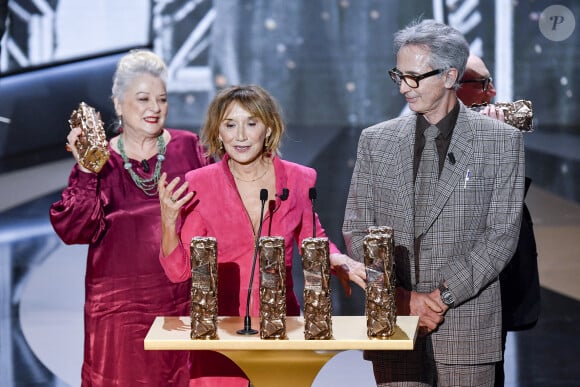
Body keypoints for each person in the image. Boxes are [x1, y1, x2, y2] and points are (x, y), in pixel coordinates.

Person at [342, 19, 525, 386]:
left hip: (467, 326)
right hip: (392, 321)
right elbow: (356, 229)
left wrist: (439, 297)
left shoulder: (501, 142)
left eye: (414, 76)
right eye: (398, 75)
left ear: (449, 76)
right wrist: (402, 297)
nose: (403, 88)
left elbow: (501, 236)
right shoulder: (375, 141)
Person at [158, 84, 366, 386]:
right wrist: (168, 224)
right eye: (230, 125)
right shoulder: (200, 184)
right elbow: (180, 272)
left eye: (251, 123)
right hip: (220, 333)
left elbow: (313, 238)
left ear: (268, 129)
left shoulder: (299, 179)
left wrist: (337, 259)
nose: (240, 136)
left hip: (281, 328)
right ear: (218, 133)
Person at [50, 49, 211, 386]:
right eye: (143, 98)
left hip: (181, 303)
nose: (154, 108)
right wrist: (85, 169)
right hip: (117, 314)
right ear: (119, 103)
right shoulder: (99, 160)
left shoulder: (190, 148)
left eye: (162, 99)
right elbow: (75, 229)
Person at [458, 54, 541, 387]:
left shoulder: (494, 131)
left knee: (490, 373)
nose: (491, 93)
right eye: (482, 83)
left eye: (490, 83)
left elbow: (506, 204)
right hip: (448, 284)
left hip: (495, 283)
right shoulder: (419, 136)